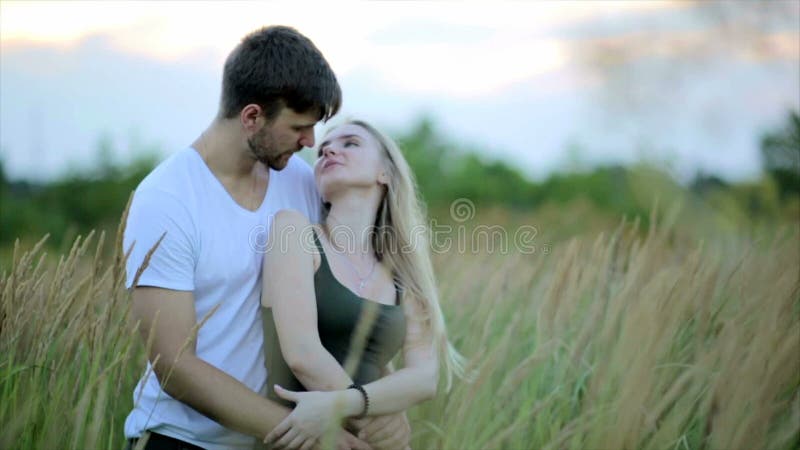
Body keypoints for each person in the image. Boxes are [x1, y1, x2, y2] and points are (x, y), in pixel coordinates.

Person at [123, 26, 409, 450]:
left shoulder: (302, 184)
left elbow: (347, 295)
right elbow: (173, 365)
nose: (311, 141)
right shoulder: (166, 199)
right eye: (299, 127)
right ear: (252, 117)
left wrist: (381, 401)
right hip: (181, 441)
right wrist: (310, 432)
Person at [259, 120, 469, 450]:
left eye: (351, 143)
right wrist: (378, 419)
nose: (328, 149)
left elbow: (424, 377)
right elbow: (302, 354)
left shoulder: (402, 269)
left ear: (384, 173)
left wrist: (347, 405)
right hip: (304, 438)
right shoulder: (294, 231)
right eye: (325, 147)